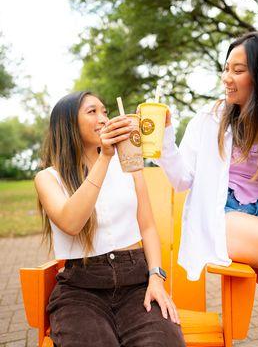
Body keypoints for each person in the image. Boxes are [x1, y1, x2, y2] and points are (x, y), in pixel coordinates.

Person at [35, 91, 186, 347]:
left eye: (105, 111)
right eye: (92, 111)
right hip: (81, 290)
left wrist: (156, 278)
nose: (104, 118)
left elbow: (147, 227)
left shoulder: (129, 163)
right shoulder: (49, 178)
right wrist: (105, 156)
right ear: (68, 123)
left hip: (137, 283)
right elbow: (72, 224)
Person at [154, 32, 258, 286]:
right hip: (225, 216)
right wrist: (165, 138)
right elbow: (182, 180)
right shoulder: (210, 119)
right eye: (226, 69)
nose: (226, 78)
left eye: (238, 71)